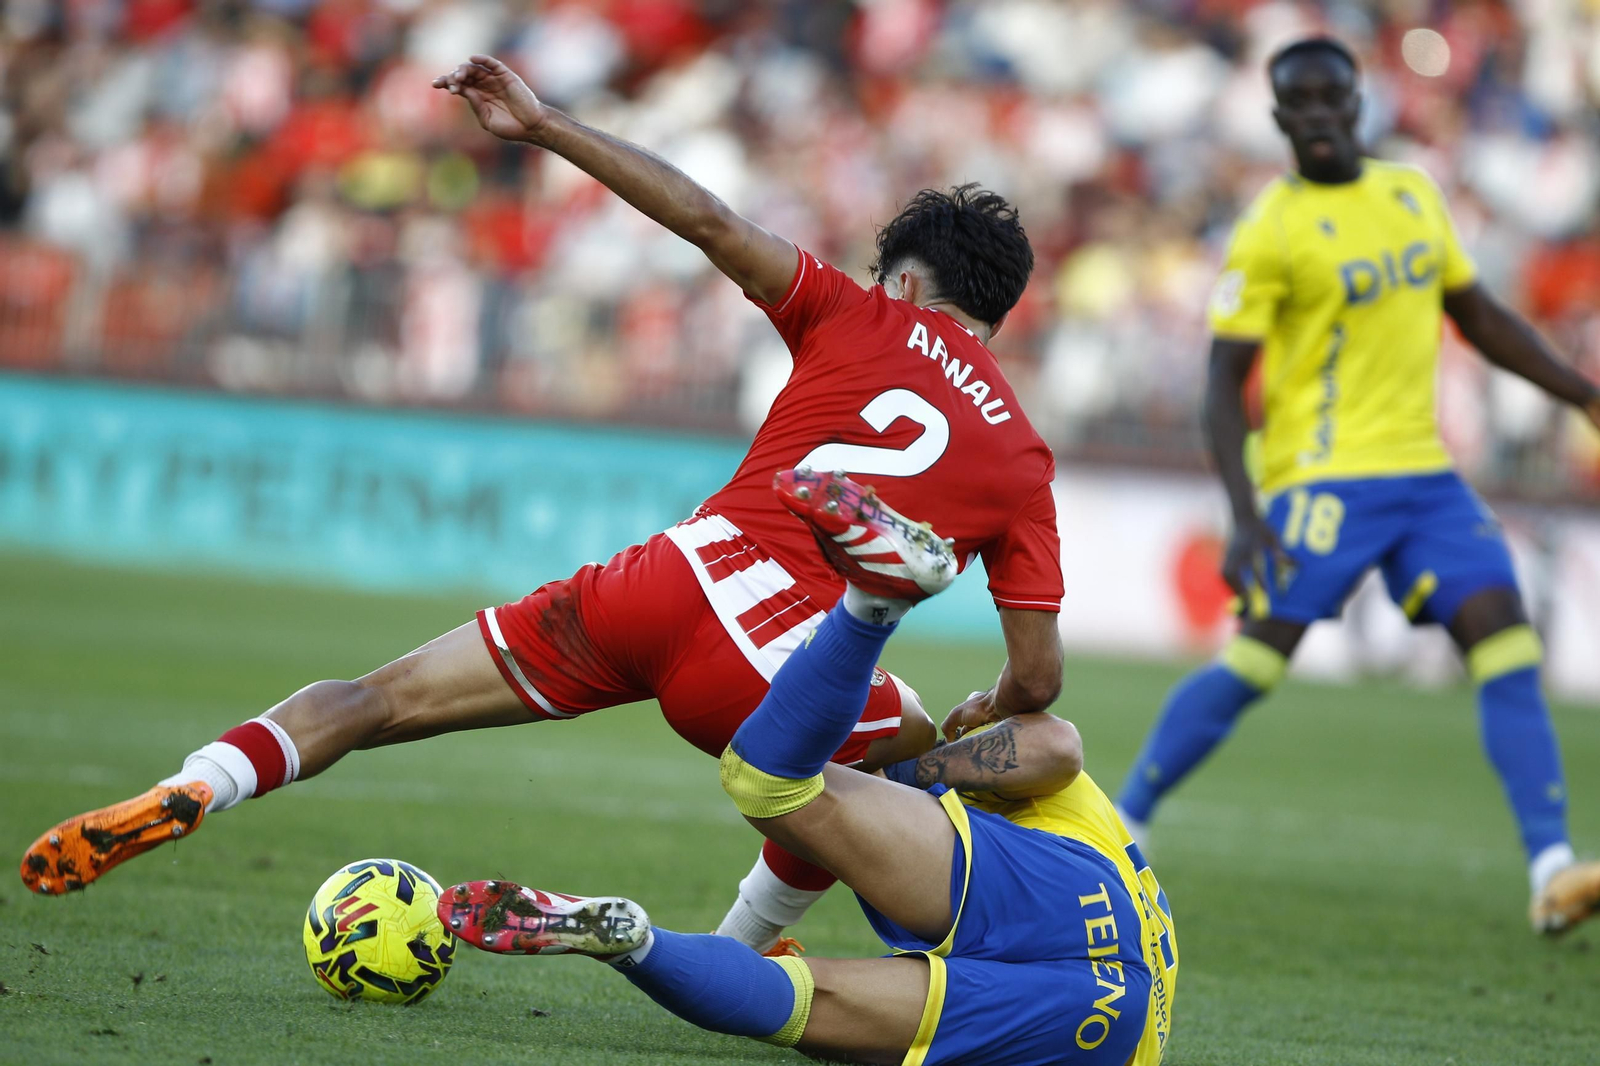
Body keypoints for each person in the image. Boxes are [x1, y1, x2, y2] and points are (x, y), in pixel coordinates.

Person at [20, 55, 1067, 955]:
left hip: (665, 576)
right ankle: (738, 948)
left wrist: (546, 124)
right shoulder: (1021, 455)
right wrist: (988, 713)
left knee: (379, 696)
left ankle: (206, 779)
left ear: (902, 282)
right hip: (777, 663)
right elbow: (1036, 675)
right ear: (989, 313)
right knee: (899, 746)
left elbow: (704, 218)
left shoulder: (850, 311)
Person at [441, 469, 1177, 1066]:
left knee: (771, 784)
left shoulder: (986, 789)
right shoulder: (994, 796)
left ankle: (873, 599)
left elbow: (1058, 746)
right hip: (1107, 1029)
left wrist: (917, 773)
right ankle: (635, 943)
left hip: (1066, 892)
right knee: (796, 1003)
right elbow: (1056, 750)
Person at [1113, 36, 1600, 934]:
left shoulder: (1413, 192)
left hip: (1426, 474)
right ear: (1279, 120)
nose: (1324, 122)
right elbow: (1222, 384)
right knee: (1257, 660)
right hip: (1323, 480)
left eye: (1337, 104)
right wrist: (1245, 516)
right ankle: (1118, 824)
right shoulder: (1272, 228)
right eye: (1303, 110)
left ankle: (1552, 868)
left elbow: (1478, 315)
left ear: (1358, 102)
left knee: (1506, 640)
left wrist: (1582, 394)